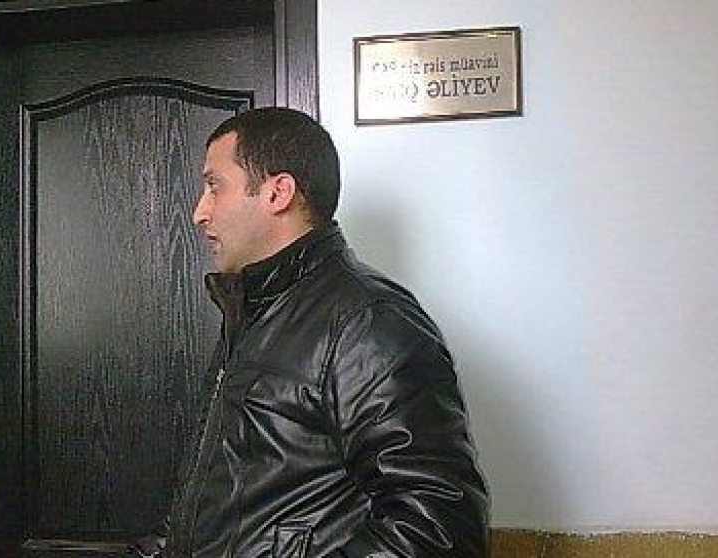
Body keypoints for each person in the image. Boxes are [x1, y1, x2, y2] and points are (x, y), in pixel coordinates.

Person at [132, 107, 489, 557]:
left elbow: (437, 527)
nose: (199, 213)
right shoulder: (254, 310)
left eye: (214, 186)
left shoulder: (368, 321)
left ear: (277, 192)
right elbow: (218, 503)